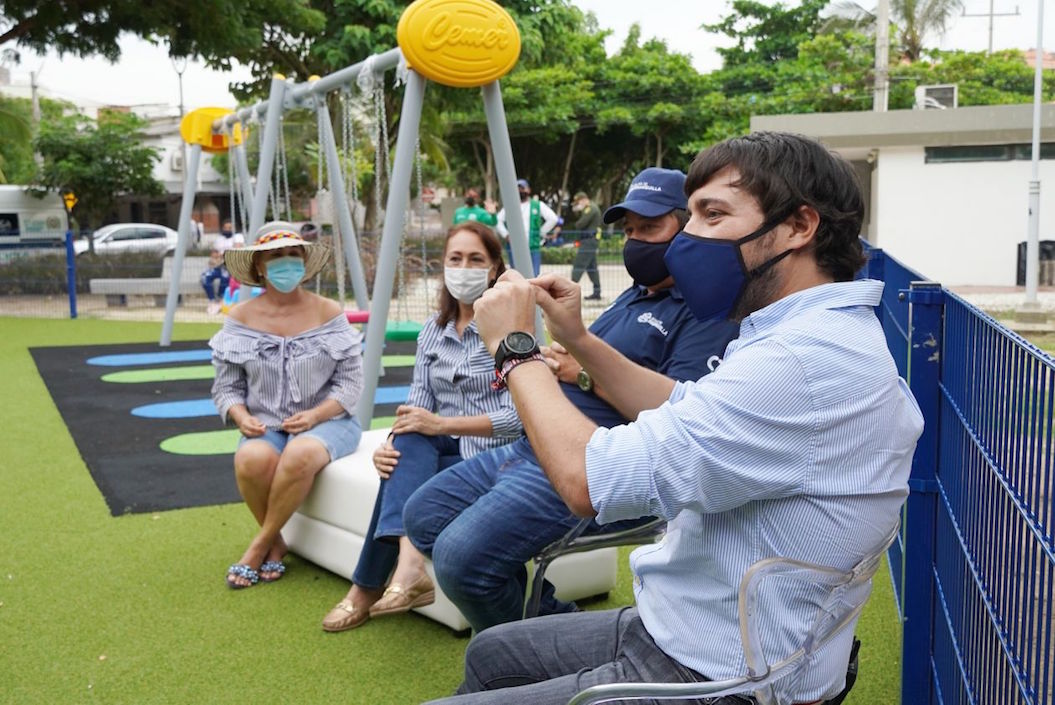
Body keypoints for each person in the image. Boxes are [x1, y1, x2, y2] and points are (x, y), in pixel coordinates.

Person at [422, 132, 925, 704]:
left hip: (724, 675)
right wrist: (575, 336)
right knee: (492, 652)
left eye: (712, 215)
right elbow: (678, 406)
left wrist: (515, 348)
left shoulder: (800, 364)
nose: (687, 238)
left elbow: (587, 480)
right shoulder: (797, 332)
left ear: (799, 226)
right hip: (685, 623)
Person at [404, 168, 741, 634]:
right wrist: (564, 349)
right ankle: (547, 625)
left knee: (463, 561)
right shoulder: (634, 296)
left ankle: (542, 656)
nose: (635, 241)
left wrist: (577, 366)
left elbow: (677, 417)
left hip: (595, 465)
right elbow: (582, 358)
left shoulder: (708, 312)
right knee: (423, 517)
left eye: (649, 228)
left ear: (686, 227)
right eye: (628, 231)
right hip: (534, 447)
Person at [320, 221, 523, 632]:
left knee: (405, 468)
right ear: (443, 267)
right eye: (455, 258)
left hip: (492, 458)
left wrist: (443, 422)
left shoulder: (511, 330)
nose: (463, 267)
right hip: (438, 447)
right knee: (404, 443)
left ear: (494, 268)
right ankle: (410, 568)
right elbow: (417, 404)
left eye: (475, 259)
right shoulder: (433, 330)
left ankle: (367, 588)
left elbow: (518, 419)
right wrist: (390, 442)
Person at [209, 221, 364, 589]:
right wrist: (241, 416)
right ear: (259, 267)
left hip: (331, 421)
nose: (286, 263)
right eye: (276, 256)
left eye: (293, 254)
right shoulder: (240, 319)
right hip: (266, 425)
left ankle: (259, 545)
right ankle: (277, 541)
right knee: (251, 458)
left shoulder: (328, 312)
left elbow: (351, 383)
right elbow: (227, 387)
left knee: (299, 455)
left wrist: (315, 415)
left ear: (305, 262)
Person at [496, 178, 558, 276]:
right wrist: (506, 235)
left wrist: (541, 232)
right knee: (516, 275)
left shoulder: (537, 205)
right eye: (517, 189)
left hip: (532, 245)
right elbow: (497, 220)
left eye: (522, 188)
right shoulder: (510, 205)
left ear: (528, 190)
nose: (520, 191)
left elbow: (553, 218)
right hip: (514, 245)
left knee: (533, 275)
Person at [568, 190, 602, 300]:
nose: (578, 206)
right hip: (588, 241)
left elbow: (580, 224)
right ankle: (597, 292)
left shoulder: (591, 209)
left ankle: (569, 290)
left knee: (579, 264)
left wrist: (578, 215)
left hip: (589, 241)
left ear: (583, 200)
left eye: (578, 203)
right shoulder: (588, 209)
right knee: (592, 268)